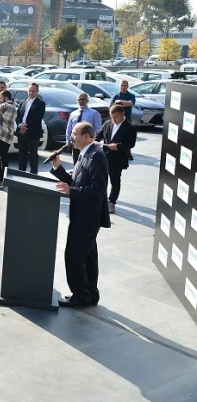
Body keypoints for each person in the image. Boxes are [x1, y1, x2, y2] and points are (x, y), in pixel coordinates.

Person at [51, 121, 111, 308]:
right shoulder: (84, 154)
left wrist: (72, 192)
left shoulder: (96, 156)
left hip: (88, 217)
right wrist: (58, 168)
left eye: (75, 134)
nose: (71, 137)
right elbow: (75, 182)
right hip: (81, 214)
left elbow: (98, 189)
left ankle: (81, 296)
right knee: (88, 257)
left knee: (74, 256)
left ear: (87, 136)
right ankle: (90, 294)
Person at [95, 104, 137, 215]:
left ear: (122, 114)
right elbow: (98, 136)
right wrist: (94, 142)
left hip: (117, 159)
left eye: (116, 117)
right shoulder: (108, 124)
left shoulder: (130, 128)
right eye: (112, 117)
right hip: (103, 157)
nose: (113, 119)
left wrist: (117, 146)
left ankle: (112, 202)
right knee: (100, 179)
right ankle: (100, 199)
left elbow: (130, 144)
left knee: (115, 181)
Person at [17, 83, 46, 174]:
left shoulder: (40, 104)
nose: (31, 93)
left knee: (33, 155)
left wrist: (27, 126)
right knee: (22, 155)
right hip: (21, 132)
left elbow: (38, 118)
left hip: (33, 133)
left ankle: (33, 175)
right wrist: (20, 125)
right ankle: (21, 174)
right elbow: (18, 116)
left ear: (37, 92)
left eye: (33, 91)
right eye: (30, 90)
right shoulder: (23, 102)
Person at [66, 93, 103, 163]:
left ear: (87, 100)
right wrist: (68, 141)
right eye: (79, 99)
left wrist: (93, 141)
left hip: (87, 143)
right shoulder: (73, 114)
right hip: (76, 143)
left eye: (83, 99)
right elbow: (69, 129)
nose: (81, 101)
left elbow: (98, 129)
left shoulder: (94, 113)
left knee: (87, 163)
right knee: (76, 163)